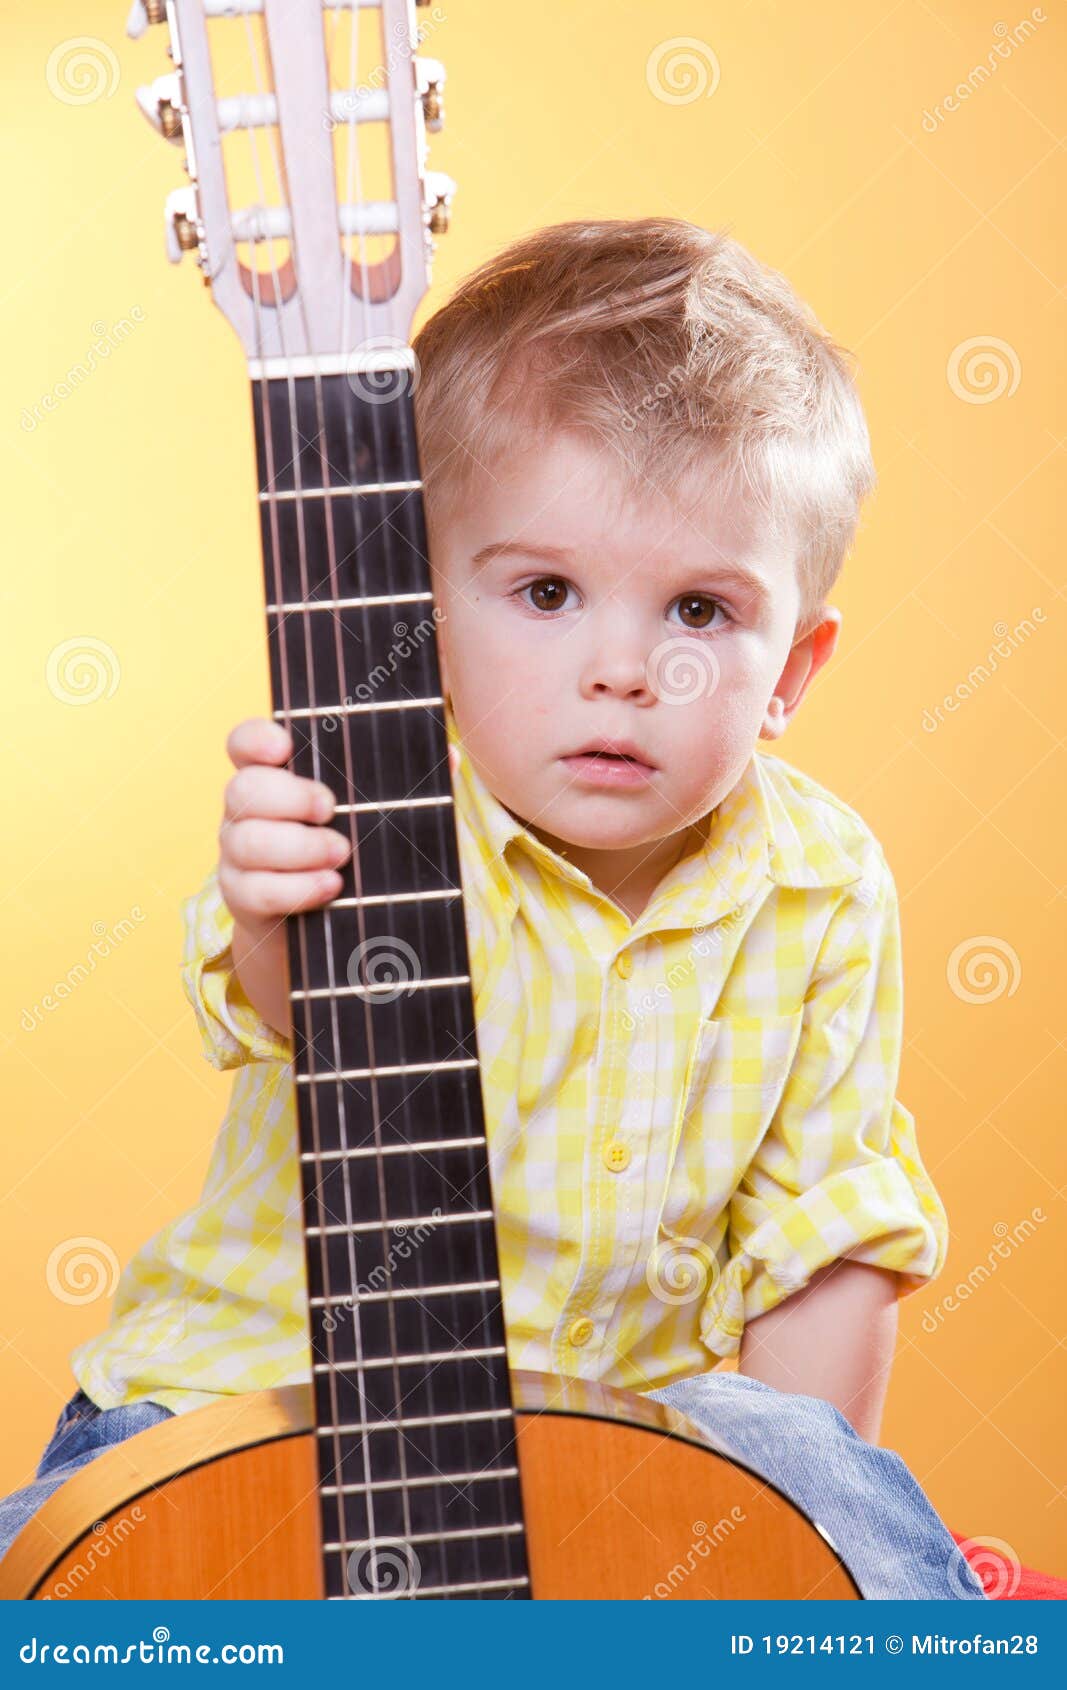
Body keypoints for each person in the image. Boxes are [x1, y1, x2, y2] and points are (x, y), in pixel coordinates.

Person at [0, 219, 986, 1598]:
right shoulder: (380, 791)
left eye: (700, 611)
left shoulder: (821, 883)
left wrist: (795, 1538)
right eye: (544, 592)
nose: (621, 668)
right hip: (262, 1388)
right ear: (423, 608)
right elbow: (289, 1010)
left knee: (851, 1511)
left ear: (791, 670)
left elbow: (824, 1240)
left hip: (624, 1422)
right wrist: (281, 910)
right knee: (65, 1566)